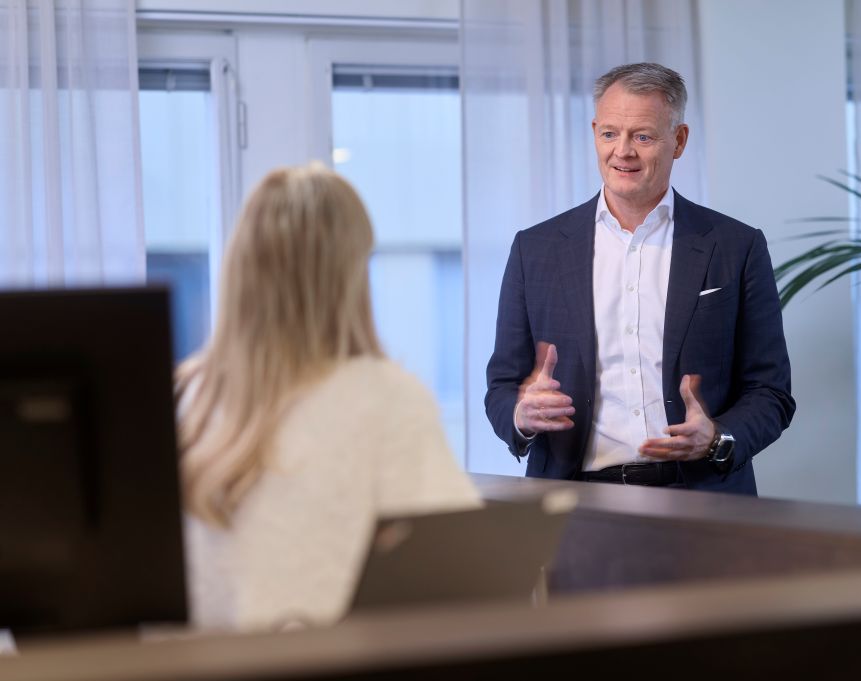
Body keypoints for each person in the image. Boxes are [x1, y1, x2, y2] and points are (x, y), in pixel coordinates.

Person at [178, 163, 479, 632]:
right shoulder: (384, 397)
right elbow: (464, 566)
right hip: (334, 660)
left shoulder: (191, 397)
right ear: (350, 275)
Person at [485, 63, 795, 494]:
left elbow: (770, 391)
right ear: (594, 132)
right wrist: (522, 415)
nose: (622, 151)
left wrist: (717, 438)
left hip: (702, 498)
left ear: (679, 140)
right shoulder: (534, 249)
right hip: (574, 500)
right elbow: (502, 387)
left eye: (643, 136)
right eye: (609, 133)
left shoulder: (736, 246)